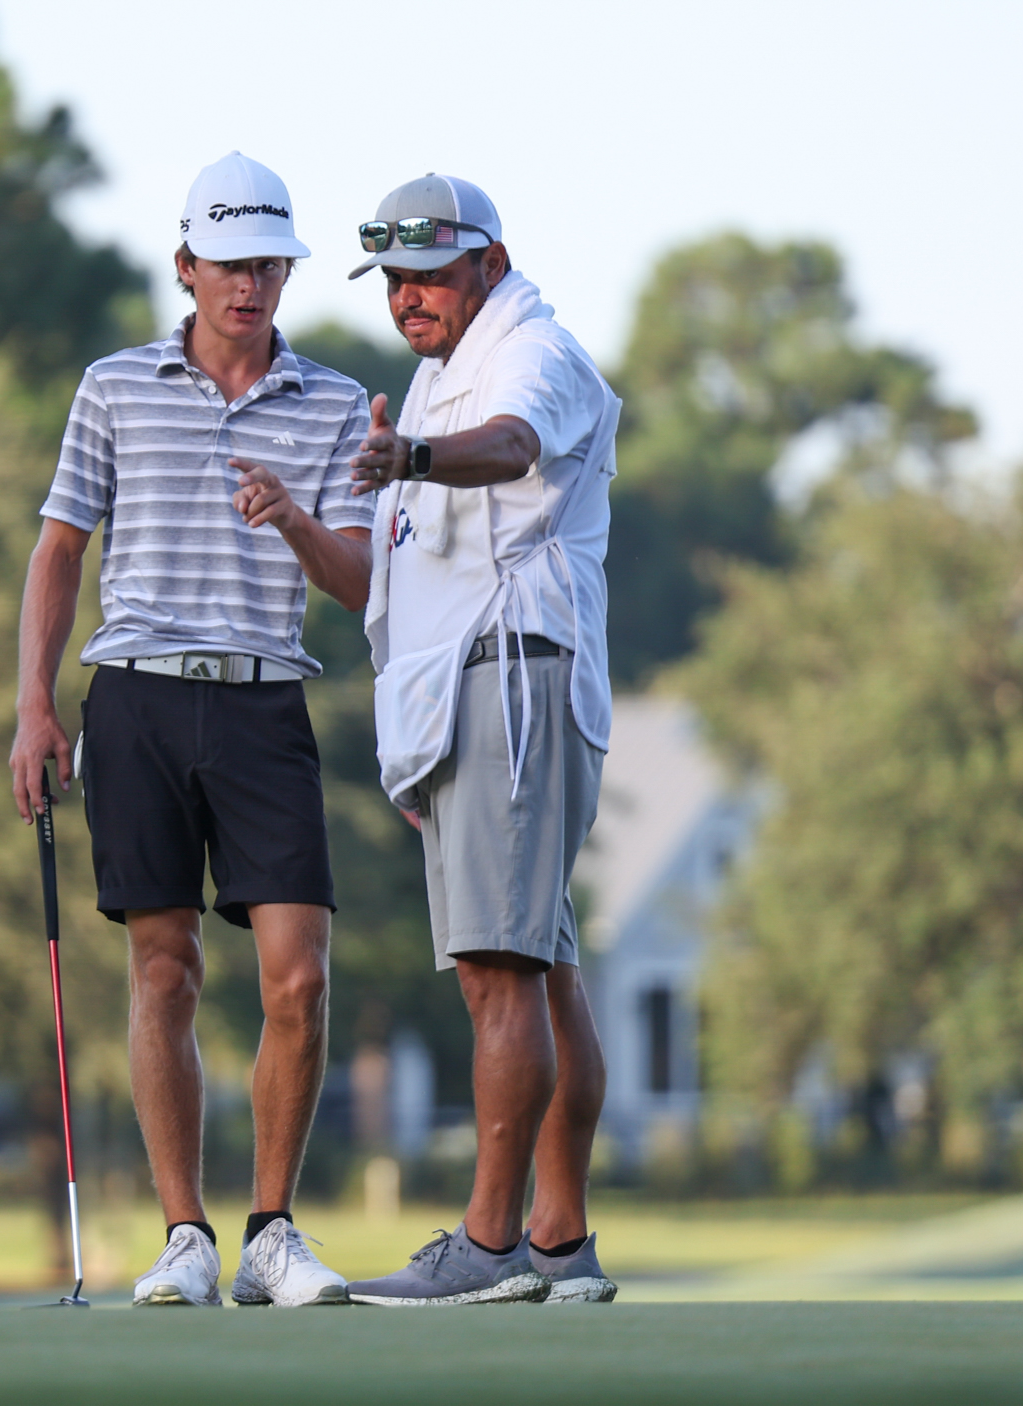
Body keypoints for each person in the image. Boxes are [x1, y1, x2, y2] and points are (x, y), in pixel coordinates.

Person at [9, 152, 373, 1308]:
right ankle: (185, 1234)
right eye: (228, 264)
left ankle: (271, 1231)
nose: (248, 286)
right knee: (162, 968)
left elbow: (360, 583)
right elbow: (60, 548)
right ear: (186, 266)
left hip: (265, 698)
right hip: (136, 696)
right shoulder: (112, 384)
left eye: (268, 264)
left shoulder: (331, 403)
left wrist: (293, 518)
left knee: (297, 975)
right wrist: (32, 705)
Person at [335, 174, 622, 1306]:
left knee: (502, 970)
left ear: (487, 266)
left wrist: (407, 458)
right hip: (467, 693)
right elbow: (406, 569)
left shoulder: (531, 351)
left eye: (430, 275)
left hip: (513, 674)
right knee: (541, 963)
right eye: (395, 280)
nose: (408, 298)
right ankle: (558, 1242)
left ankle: (488, 1242)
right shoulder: (434, 374)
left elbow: (509, 447)